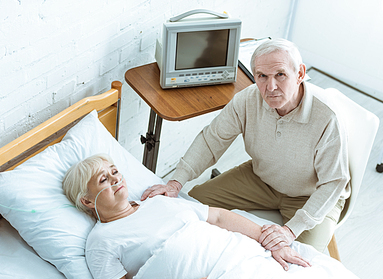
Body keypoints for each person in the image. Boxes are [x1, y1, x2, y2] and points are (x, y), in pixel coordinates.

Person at [141, 38, 350, 253]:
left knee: (300, 258)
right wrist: (175, 182)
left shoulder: (327, 116)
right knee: (194, 204)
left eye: (280, 74)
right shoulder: (248, 99)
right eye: (262, 76)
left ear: (299, 74)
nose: (271, 87)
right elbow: (211, 140)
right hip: (262, 178)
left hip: (311, 194)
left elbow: (334, 182)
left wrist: (290, 230)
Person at [62, 154, 310, 279]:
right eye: (104, 179)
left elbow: (218, 217)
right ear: (86, 200)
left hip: (243, 262)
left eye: (115, 171)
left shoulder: (157, 202)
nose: (115, 179)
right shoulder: (101, 240)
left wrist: (271, 241)